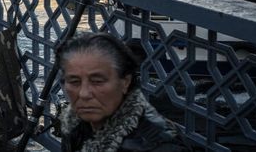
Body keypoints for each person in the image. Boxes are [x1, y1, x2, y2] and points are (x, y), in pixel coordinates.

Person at [58, 32, 190, 152]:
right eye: (74, 81)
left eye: (97, 81)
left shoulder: (159, 145)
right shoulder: (76, 125)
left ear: (125, 82)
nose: (84, 93)